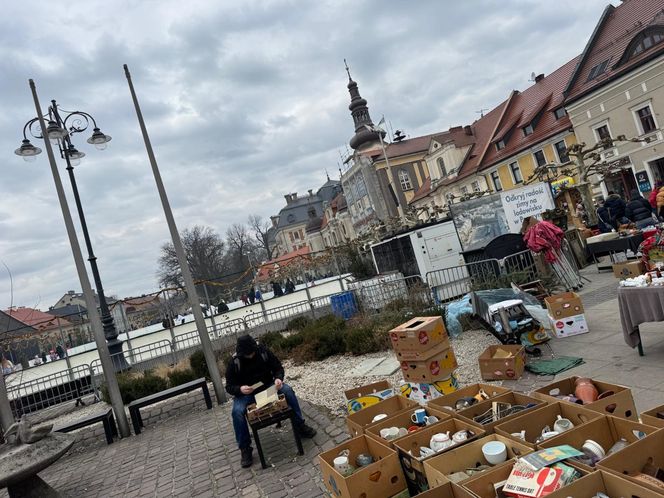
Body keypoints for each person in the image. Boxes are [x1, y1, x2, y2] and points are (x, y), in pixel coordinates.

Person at [225, 335, 316, 468]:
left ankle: (299, 426)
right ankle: (245, 449)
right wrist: (240, 389)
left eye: (252, 353)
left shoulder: (263, 351)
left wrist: (278, 379)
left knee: (288, 391)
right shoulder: (234, 362)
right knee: (237, 412)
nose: (250, 356)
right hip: (247, 395)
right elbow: (229, 386)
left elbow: (278, 367)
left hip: (268, 388)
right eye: (247, 355)